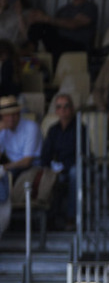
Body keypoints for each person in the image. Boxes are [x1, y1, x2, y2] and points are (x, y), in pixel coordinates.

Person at [26, 92, 78, 227]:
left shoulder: (80, 128)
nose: (63, 110)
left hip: (72, 167)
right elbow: (46, 153)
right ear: (56, 111)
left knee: (74, 173)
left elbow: (82, 154)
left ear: (72, 109)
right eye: (59, 107)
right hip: (56, 168)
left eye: (66, 106)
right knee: (42, 172)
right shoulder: (53, 130)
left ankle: (71, 217)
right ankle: (48, 218)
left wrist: (64, 166)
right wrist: (48, 166)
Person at [26, 0, 97, 58]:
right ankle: (29, 52)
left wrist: (46, 18)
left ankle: (30, 52)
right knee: (40, 26)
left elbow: (73, 24)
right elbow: (54, 24)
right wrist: (39, 18)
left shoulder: (90, 7)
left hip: (79, 45)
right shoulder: (63, 10)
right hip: (60, 42)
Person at [0, 95, 40, 186]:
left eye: (14, 114)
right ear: (2, 117)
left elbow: (27, 162)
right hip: (12, 165)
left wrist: (4, 167)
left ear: (19, 113)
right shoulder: (3, 129)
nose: (11, 118)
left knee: (5, 177)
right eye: (7, 115)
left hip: (32, 167)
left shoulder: (31, 127)